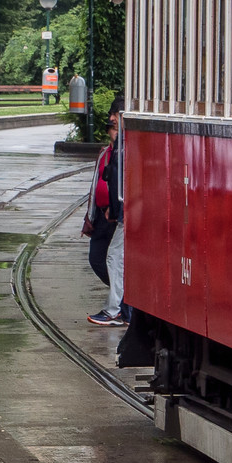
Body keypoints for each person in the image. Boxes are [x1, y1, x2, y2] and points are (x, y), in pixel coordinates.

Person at [83, 99, 126, 327]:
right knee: (102, 259)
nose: (111, 124)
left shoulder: (125, 150)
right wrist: (90, 218)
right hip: (104, 216)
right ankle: (122, 304)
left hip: (120, 214)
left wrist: (116, 206)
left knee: (114, 258)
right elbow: (94, 186)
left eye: (115, 118)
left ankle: (116, 309)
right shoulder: (107, 153)